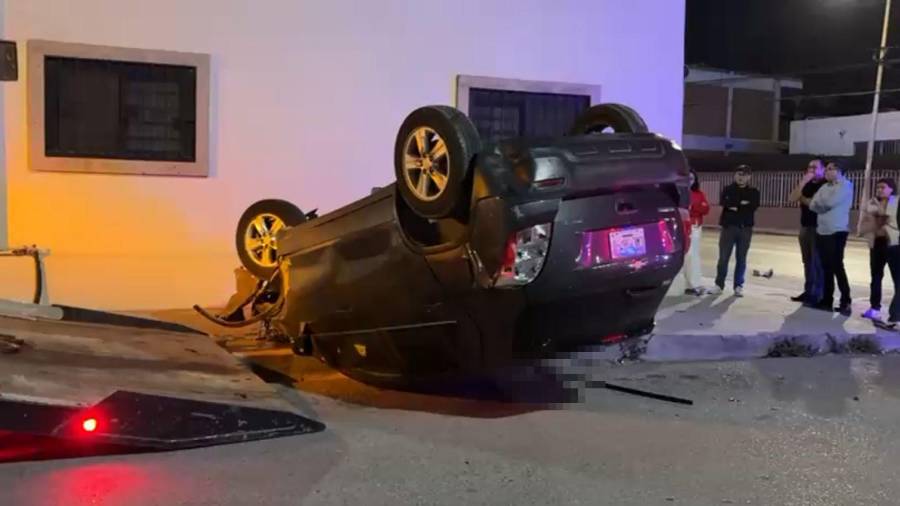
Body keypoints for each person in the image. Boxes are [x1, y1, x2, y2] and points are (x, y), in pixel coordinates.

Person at [802, 160, 854, 315]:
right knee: (826, 268)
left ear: (839, 171)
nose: (827, 172)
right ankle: (827, 300)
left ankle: (845, 301)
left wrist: (820, 203)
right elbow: (813, 205)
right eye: (827, 169)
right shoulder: (824, 187)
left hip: (837, 231)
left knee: (837, 265)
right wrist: (819, 204)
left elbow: (829, 202)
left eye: (831, 169)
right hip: (822, 231)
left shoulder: (846, 185)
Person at [712, 165, 760, 297]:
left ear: (749, 177)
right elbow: (724, 202)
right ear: (735, 175)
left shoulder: (753, 192)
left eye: (744, 175)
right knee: (723, 257)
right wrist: (741, 204)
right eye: (739, 174)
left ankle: (738, 285)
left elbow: (753, 206)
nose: (741, 177)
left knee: (741, 258)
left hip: (745, 228)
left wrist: (735, 205)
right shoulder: (728, 189)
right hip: (728, 227)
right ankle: (719, 284)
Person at [859, 177, 900, 323]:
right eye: (878, 187)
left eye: (883, 187)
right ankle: (874, 308)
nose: (879, 190)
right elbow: (864, 223)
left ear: (891, 189)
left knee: (898, 281)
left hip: (894, 245)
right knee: (876, 278)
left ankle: (895, 314)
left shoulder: (897, 202)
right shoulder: (871, 203)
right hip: (877, 244)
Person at [787, 159, 826, 305]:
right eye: (809, 167)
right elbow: (792, 198)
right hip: (805, 226)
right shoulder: (807, 184)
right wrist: (803, 182)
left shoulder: (824, 185)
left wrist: (802, 199)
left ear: (822, 169)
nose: (811, 170)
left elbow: (815, 204)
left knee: (817, 262)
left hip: (819, 227)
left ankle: (818, 293)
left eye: (815, 167)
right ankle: (808, 290)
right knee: (807, 261)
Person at [683, 169, 710, 296]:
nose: (690, 181)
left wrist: (692, 208)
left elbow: (706, 209)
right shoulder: (679, 193)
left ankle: (693, 284)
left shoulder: (699, 194)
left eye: (692, 179)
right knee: (687, 256)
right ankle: (689, 284)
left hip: (695, 227)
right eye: (687, 178)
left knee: (693, 256)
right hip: (683, 228)